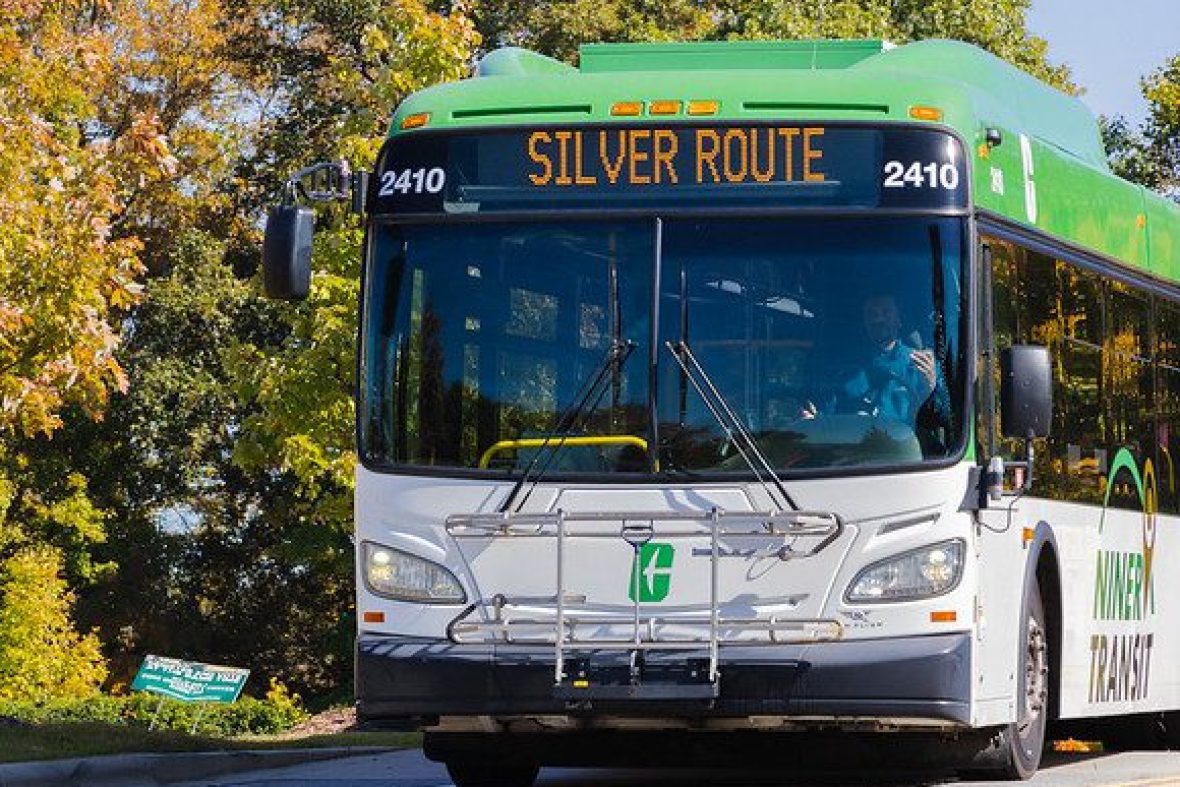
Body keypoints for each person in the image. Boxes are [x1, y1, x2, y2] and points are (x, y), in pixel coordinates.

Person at [802, 292, 946, 425]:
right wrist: (814, 419)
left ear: (899, 320)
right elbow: (829, 415)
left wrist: (930, 389)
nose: (878, 319)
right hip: (854, 443)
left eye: (886, 312)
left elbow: (945, 419)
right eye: (871, 314)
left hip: (907, 444)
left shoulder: (924, 366)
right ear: (865, 323)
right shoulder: (847, 368)